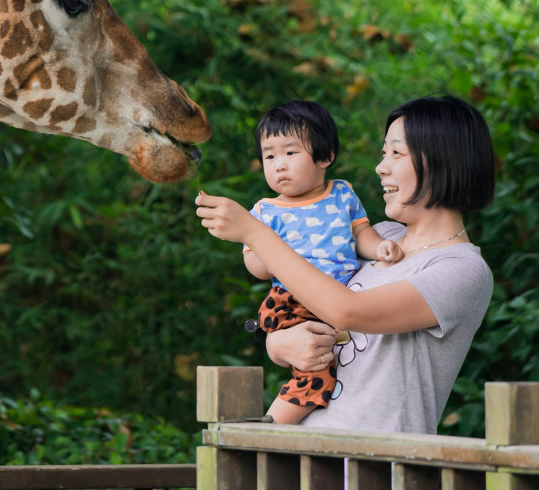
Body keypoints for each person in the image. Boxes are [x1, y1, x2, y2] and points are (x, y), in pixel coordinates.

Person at [196, 95, 495, 435]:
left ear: (445, 160)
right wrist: (278, 345)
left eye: (396, 153)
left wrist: (255, 232)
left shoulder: (461, 268)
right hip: (304, 454)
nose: (381, 167)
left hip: (375, 470)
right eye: (384, 154)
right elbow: (324, 320)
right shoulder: (379, 238)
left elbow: (349, 312)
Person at [238, 99, 403, 423]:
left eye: (290, 152)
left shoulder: (342, 194)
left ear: (325, 156)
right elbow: (255, 267)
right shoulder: (264, 212)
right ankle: (269, 430)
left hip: (335, 299)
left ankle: (272, 428)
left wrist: (381, 247)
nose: (279, 164)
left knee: (326, 366)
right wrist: (264, 247)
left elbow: (361, 236)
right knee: (316, 373)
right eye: (269, 156)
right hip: (291, 302)